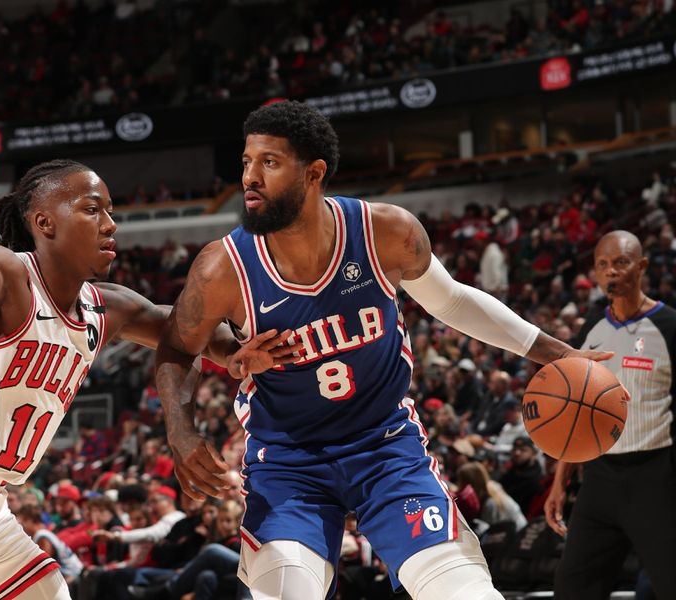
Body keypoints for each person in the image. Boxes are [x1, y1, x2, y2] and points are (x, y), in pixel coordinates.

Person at [154, 100, 611, 600]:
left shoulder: (385, 232)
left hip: (386, 445)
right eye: (246, 162)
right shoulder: (223, 267)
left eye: (269, 162)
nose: (250, 177)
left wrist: (555, 352)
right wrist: (181, 430)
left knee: (466, 592)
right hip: (288, 462)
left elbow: (454, 300)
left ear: (314, 173)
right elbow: (177, 348)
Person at [0, 157, 294, 600]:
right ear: (45, 223)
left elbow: (183, 328)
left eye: (111, 211)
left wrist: (233, 353)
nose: (111, 223)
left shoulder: (105, 307)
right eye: (93, 209)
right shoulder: (10, 277)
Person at [545, 230, 676, 600]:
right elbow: (572, 415)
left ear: (642, 266)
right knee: (572, 587)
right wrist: (560, 483)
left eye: (621, 262)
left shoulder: (669, 327)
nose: (611, 272)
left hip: (656, 476)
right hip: (599, 478)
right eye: (603, 265)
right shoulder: (591, 328)